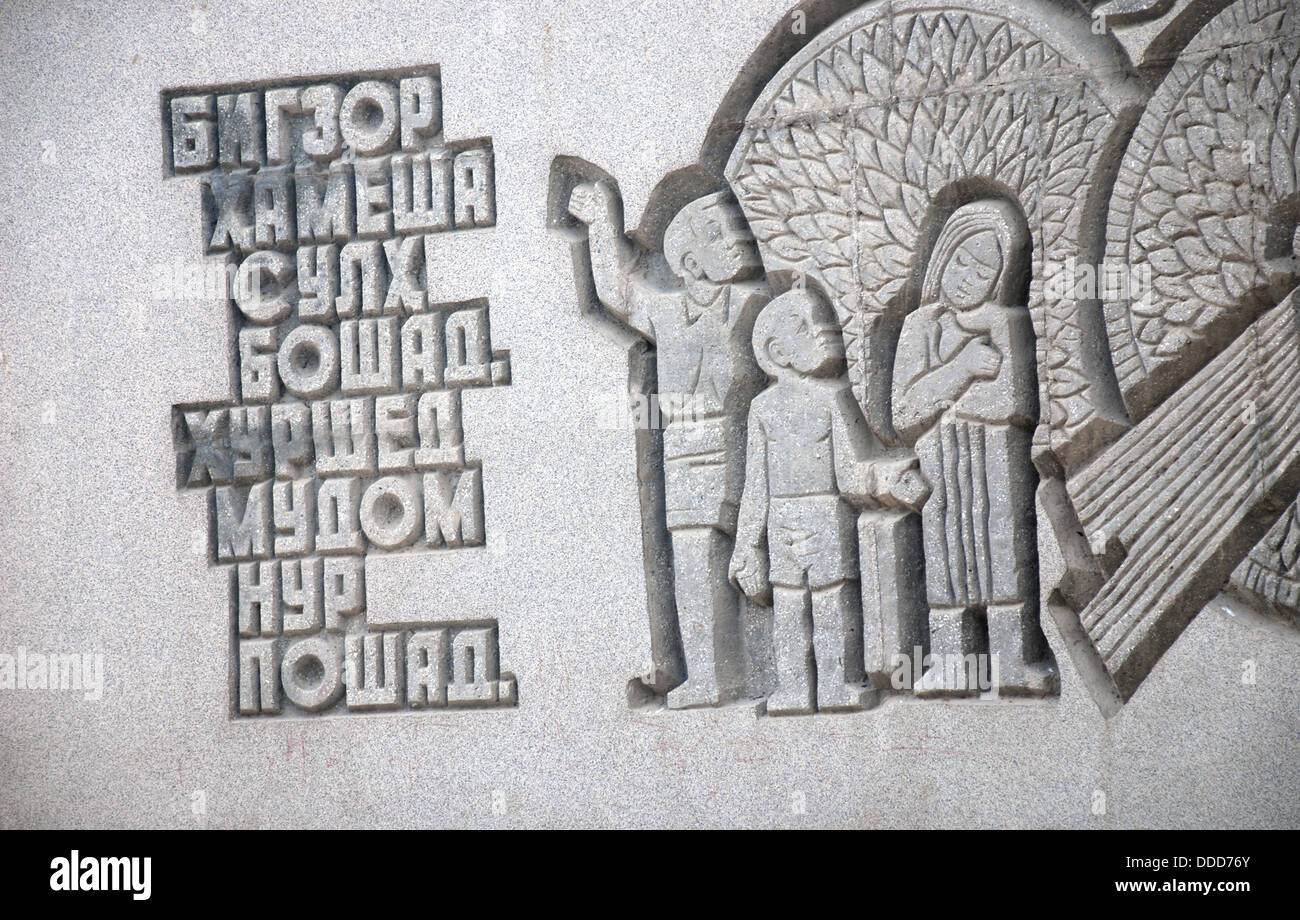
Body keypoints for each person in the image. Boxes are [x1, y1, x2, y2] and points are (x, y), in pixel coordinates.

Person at [567, 179, 770, 708]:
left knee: (747, 555)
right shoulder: (668, 311)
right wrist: (601, 222)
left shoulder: (751, 302)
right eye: (721, 233)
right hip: (685, 449)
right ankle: (712, 675)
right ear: (688, 259)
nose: (738, 240)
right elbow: (620, 290)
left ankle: (762, 673)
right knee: (694, 560)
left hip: (744, 445)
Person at [730, 288, 928, 714]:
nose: (821, 332)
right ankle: (793, 689)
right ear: (777, 350)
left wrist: (892, 479)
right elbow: (755, 487)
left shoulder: (832, 400)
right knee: (788, 607)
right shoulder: (762, 410)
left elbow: (851, 473)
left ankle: (836, 684)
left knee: (830, 602)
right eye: (805, 326)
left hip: (826, 516)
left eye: (822, 321)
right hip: (782, 520)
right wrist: (746, 545)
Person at [891, 199, 1055, 696]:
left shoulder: (1007, 324)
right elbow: (904, 413)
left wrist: (954, 394)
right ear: (942, 258)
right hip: (940, 460)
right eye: (961, 260)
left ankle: (1011, 660)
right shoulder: (920, 326)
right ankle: (950, 663)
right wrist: (960, 370)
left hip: (995, 459)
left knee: (1002, 552)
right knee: (944, 556)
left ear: (1001, 277)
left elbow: (1014, 405)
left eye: (984, 269)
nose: (967, 276)